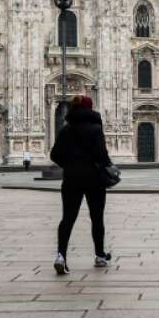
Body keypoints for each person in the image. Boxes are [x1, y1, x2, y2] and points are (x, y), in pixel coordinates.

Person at [50, 95, 113, 275]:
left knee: (67, 218)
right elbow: (102, 156)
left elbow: (54, 155)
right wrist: (105, 166)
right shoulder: (95, 128)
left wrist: (69, 165)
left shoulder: (66, 129)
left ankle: (61, 256)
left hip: (71, 178)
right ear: (90, 108)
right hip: (94, 179)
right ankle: (100, 256)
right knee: (97, 217)